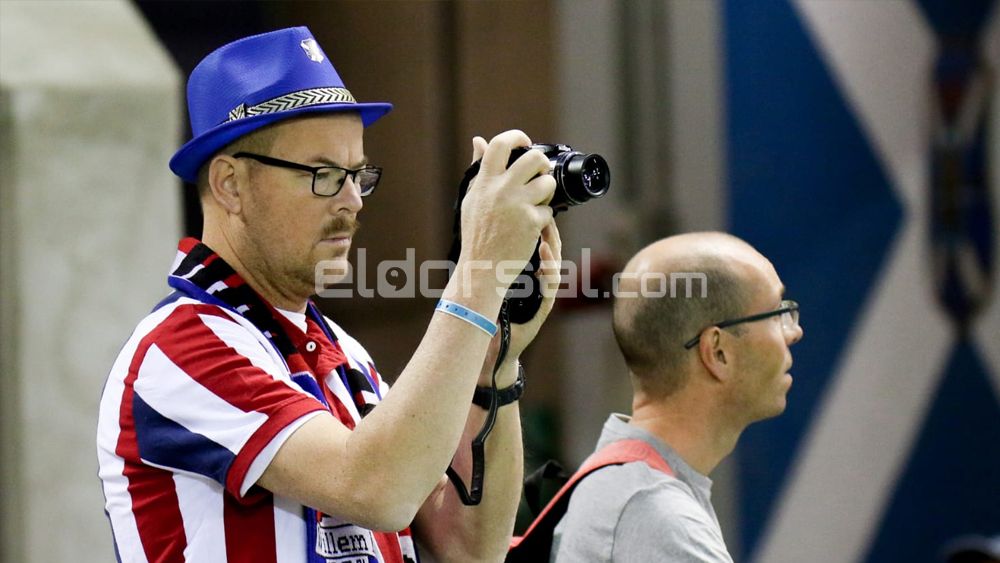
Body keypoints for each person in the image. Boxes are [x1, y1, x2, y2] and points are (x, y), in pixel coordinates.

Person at [96, 27, 562, 563]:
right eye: (323, 174)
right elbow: (376, 488)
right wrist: (476, 278)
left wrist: (493, 362)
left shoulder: (344, 351)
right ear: (229, 184)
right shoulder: (180, 348)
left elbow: (470, 547)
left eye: (357, 175)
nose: (352, 201)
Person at [550, 232, 803, 562]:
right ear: (718, 352)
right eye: (775, 313)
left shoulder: (631, 486)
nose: (794, 332)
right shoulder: (660, 519)